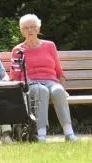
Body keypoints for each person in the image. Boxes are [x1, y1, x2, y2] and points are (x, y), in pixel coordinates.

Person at [10, 13, 78, 142]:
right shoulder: (18, 50)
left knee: (58, 91)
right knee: (42, 91)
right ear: (21, 31)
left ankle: (69, 133)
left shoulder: (50, 46)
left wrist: (63, 88)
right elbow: (15, 75)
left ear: (38, 29)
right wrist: (21, 90)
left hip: (51, 81)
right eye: (26, 28)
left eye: (33, 27)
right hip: (31, 83)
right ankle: (41, 134)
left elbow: (58, 70)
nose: (30, 30)